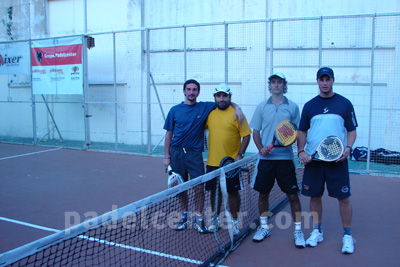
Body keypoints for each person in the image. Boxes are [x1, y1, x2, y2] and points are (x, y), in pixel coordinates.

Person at [163, 79, 244, 234]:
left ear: (198, 92)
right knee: (180, 187)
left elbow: (225, 100)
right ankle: (185, 216)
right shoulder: (174, 110)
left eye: (194, 90)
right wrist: (166, 157)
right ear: (184, 91)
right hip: (176, 152)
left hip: (194, 155)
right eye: (189, 89)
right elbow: (168, 134)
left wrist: (238, 108)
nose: (191, 92)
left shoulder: (205, 107)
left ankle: (199, 220)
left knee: (199, 188)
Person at [297, 67, 357, 254]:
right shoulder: (309, 105)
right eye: (321, 79)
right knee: (315, 197)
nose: (324, 83)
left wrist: (348, 148)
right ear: (317, 81)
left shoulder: (345, 104)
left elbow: (352, 130)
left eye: (327, 79)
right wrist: (301, 151)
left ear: (332, 80)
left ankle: (347, 236)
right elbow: (302, 131)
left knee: (344, 199)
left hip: (337, 161)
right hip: (314, 161)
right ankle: (317, 232)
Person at [250, 72, 305, 248]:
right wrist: (260, 149)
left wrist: (288, 141)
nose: (276, 85)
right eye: (273, 82)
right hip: (265, 160)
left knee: (292, 196)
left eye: (279, 82)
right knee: (263, 194)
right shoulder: (261, 107)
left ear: (284, 85)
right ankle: (264, 227)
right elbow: (255, 131)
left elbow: (297, 131)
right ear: (270, 85)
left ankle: (298, 231)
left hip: (285, 159)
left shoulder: (293, 107)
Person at [204, 83, 251, 236]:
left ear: (230, 97)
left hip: (231, 164)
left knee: (233, 193)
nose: (222, 99)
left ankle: (235, 222)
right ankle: (216, 221)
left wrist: (240, 155)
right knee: (214, 192)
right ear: (215, 97)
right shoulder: (209, 113)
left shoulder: (237, 114)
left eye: (225, 96)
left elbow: (246, 135)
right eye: (219, 96)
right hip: (212, 162)